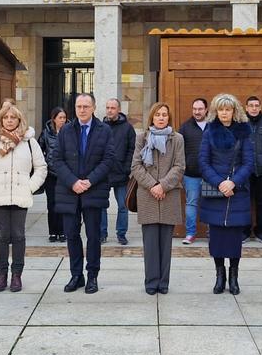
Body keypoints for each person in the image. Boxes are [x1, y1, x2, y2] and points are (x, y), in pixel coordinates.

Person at [0, 103, 47, 292]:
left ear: (19, 120)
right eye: (6, 117)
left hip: (20, 195)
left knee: (18, 235)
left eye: (13, 117)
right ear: (1, 120)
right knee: (1, 236)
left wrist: (30, 187)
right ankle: (2, 274)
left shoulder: (29, 142)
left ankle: (17, 274)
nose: (9, 121)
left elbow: (41, 167)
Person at [50, 92, 114, 294]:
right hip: (69, 192)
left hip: (93, 191)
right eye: (79, 106)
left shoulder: (104, 131)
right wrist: (73, 182)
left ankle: (92, 276)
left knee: (93, 236)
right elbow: (57, 160)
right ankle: (76, 275)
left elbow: (109, 159)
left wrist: (90, 181)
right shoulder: (66, 130)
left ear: (94, 108)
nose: (82, 110)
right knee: (71, 235)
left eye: (86, 106)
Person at [199, 94, 254, 295]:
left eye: (227, 109)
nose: (224, 113)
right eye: (221, 109)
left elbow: (248, 162)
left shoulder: (243, 132)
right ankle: (219, 275)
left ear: (234, 111)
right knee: (217, 238)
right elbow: (203, 163)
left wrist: (233, 182)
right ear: (216, 111)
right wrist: (220, 182)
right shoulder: (209, 132)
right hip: (216, 190)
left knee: (233, 238)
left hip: (237, 191)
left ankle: (234, 276)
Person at [131, 102, 185, 295]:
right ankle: (151, 282)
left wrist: (163, 185)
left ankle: (163, 282)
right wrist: (153, 185)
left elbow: (180, 166)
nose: (161, 118)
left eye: (164, 115)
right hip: (148, 195)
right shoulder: (142, 138)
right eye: (158, 115)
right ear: (151, 118)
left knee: (166, 243)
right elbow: (136, 166)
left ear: (169, 118)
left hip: (169, 194)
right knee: (151, 243)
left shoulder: (177, 139)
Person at [101, 98, 137, 246]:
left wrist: (126, 168)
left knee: (123, 205)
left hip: (121, 174)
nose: (110, 110)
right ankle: (102, 233)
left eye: (113, 108)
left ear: (119, 109)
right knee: (101, 205)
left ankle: (121, 234)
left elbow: (132, 149)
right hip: (103, 174)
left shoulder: (128, 128)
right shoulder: (100, 127)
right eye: (108, 107)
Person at [178, 98, 209, 244]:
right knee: (191, 204)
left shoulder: (214, 126)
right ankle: (190, 233)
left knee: (211, 204)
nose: (197, 112)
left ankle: (212, 233)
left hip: (211, 175)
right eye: (195, 109)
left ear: (206, 110)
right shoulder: (185, 127)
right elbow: (179, 151)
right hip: (191, 174)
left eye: (200, 109)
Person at [244, 96, 262, 243]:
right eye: (251, 106)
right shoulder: (240, 123)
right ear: (246, 108)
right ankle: (245, 232)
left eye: (256, 105)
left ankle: (261, 231)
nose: (254, 108)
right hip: (246, 170)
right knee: (245, 201)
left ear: (260, 107)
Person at [38, 107, 68, 242]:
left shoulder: (70, 132)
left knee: (63, 204)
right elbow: (38, 151)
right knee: (52, 204)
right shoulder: (45, 133)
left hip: (65, 174)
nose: (62, 120)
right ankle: (53, 232)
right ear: (54, 119)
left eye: (64, 117)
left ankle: (62, 231)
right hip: (50, 174)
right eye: (60, 117)